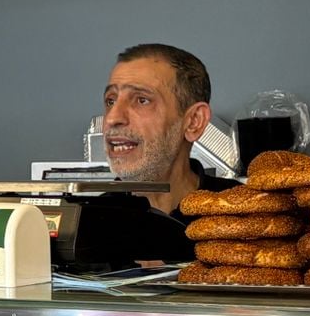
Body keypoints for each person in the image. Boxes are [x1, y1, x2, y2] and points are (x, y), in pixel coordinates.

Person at [102, 42, 239, 219]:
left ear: (194, 121)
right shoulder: (86, 221)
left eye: (142, 100)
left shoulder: (243, 211)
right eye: (111, 101)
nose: (112, 118)